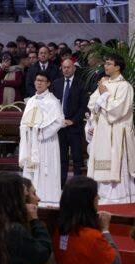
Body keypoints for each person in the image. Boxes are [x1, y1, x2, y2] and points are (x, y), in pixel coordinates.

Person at [86, 54, 135, 204]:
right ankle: (103, 199)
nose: (105, 66)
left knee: (116, 164)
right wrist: (102, 95)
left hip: (117, 132)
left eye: (109, 64)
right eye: (105, 64)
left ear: (118, 67)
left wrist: (104, 95)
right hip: (102, 131)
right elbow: (92, 105)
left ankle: (120, 200)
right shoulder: (104, 84)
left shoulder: (124, 86)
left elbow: (118, 110)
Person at [19, 71, 64, 206]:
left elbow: (58, 121)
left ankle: (46, 201)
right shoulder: (31, 100)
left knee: (46, 172)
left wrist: (40, 133)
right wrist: (27, 130)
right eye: (37, 80)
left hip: (45, 143)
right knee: (30, 172)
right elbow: (23, 122)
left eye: (42, 81)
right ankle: (30, 200)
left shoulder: (52, 102)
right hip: (31, 144)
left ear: (48, 83)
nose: (39, 83)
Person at [51, 59, 89, 187]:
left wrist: (72, 121)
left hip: (75, 126)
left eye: (68, 67)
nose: (66, 69)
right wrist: (58, 120)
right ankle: (61, 183)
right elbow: (53, 104)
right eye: (64, 67)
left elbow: (83, 106)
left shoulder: (81, 84)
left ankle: (77, 185)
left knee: (77, 157)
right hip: (60, 126)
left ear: (74, 69)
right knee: (62, 157)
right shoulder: (56, 83)